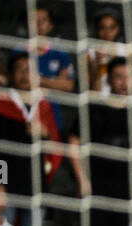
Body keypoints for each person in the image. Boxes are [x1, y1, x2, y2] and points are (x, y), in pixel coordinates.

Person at [66, 57, 132, 226]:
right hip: (97, 187)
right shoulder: (93, 108)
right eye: (118, 76)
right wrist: (82, 179)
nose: (124, 82)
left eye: (128, 76)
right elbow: (73, 143)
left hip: (130, 188)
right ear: (109, 79)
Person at [0, 51, 63, 226]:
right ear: (10, 75)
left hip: (33, 178)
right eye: (19, 70)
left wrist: (45, 132)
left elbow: (54, 149)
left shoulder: (44, 106)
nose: (24, 74)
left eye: (29, 70)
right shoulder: (0, 103)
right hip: (3, 177)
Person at [28, 2, 74, 131]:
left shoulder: (60, 53)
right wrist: (53, 83)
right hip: (25, 115)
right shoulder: (18, 51)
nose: (39, 24)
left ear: (50, 25)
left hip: (52, 117)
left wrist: (39, 80)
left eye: (43, 20)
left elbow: (68, 85)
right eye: (34, 20)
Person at [85, 6, 129, 95]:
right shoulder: (89, 53)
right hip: (99, 100)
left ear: (118, 29)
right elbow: (88, 86)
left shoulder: (126, 51)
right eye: (102, 27)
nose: (107, 32)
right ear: (97, 29)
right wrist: (98, 65)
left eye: (112, 27)